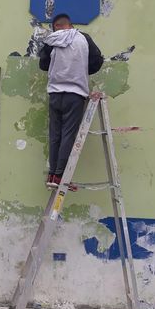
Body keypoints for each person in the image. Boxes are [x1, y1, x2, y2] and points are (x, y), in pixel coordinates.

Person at [39, 13, 104, 188]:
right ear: (70, 24)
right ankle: (60, 176)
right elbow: (97, 61)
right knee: (68, 135)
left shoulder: (51, 41)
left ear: (56, 26)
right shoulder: (84, 39)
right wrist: (81, 69)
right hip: (75, 95)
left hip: (55, 94)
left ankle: (52, 174)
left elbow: (43, 65)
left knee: (55, 136)